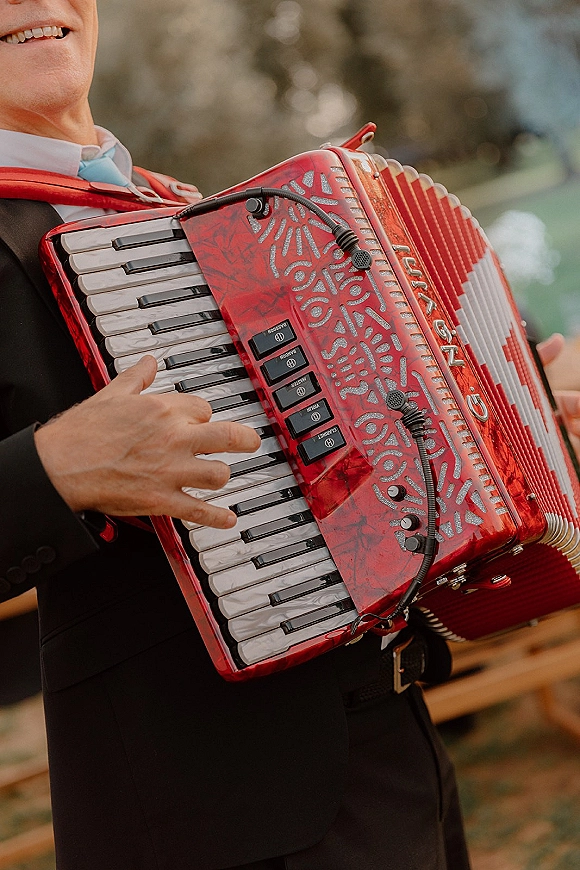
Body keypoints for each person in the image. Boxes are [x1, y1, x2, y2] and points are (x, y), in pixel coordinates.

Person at [1, 4, 578, 869]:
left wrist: (514, 417)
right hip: (211, 817)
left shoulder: (170, 209)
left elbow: (341, 439)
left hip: (387, 748)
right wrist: (54, 471)